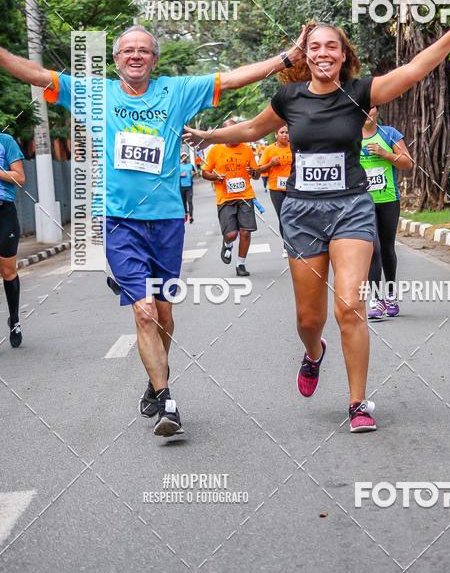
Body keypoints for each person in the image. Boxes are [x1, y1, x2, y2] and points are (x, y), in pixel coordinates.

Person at [185, 0, 450, 433]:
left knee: (350, 305)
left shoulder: (361, 92)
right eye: (315, 46)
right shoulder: (289, 98)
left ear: (344, 56)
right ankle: (314, 352)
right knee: (308, 318)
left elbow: (414, 70)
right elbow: (249, 128)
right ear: (305, 54)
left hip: (352, 207)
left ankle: (358, 403)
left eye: (332, 46)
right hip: (301, 211)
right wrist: (207, 134)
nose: (323, 53)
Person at [0, 25, 305, 437]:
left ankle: (154, 376)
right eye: (128, 50)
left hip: (166, 221)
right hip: (119, 220)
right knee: (143, 310)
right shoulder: (95, 94)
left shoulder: (176, 91)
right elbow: (36, 74)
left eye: (144, 51)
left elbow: (233, 77)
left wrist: (287, 57)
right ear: (115, 59)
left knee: (163, 313)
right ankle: (166, 401)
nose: (136, 56)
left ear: (154, 60)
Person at [360, 107, 413, 319]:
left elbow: (408, 163)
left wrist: (385, 153)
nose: (366, 112)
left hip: (388, 199)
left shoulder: (389, 133)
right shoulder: (349, 136)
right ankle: (376, 299)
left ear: (377, 111)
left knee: (388, 248)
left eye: (370, 108)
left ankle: (390, 295)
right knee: (373, 247)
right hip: (362, 201)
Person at [201, 120, 259, 277]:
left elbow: (256, 173)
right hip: (225, 198)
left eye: (237, 132)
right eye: (230, 133)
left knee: (246, 232)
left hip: (245, 196)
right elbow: (204, 172)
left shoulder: (247, 149)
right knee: (231, 234)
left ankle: (241, 264)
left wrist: (253, 172)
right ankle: (227, 244)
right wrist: (215, 176)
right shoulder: (215, 150)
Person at [0, 133, 26, 348]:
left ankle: (15, 320)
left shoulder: (6, 141)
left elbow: (20, 178)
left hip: (4, 213)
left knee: (8, 271)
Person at [255, 124, 292, 253]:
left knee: (295, 216)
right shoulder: (269, 150)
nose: (284, 135)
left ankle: (296, 243)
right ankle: (287, 246)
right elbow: (258, 169)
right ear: (276, 135)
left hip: (293, 188)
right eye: (281, 132)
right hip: (276, 189)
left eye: (287, 132)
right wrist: (271, 163)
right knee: (283, 217)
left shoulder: (294, 147)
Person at [179, 151, 195, 223]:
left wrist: (193, 173)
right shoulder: (178, 166)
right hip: (181, 186)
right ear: (181, 158)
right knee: (183, 202)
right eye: (183, 156)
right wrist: (180, 175)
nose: (184, 157)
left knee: (190, 201)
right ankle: (185, 214)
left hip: (189, 186)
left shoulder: (190, 165)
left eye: (185, 156)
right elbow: (175, 175)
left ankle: (191, 216)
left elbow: (195, 172)